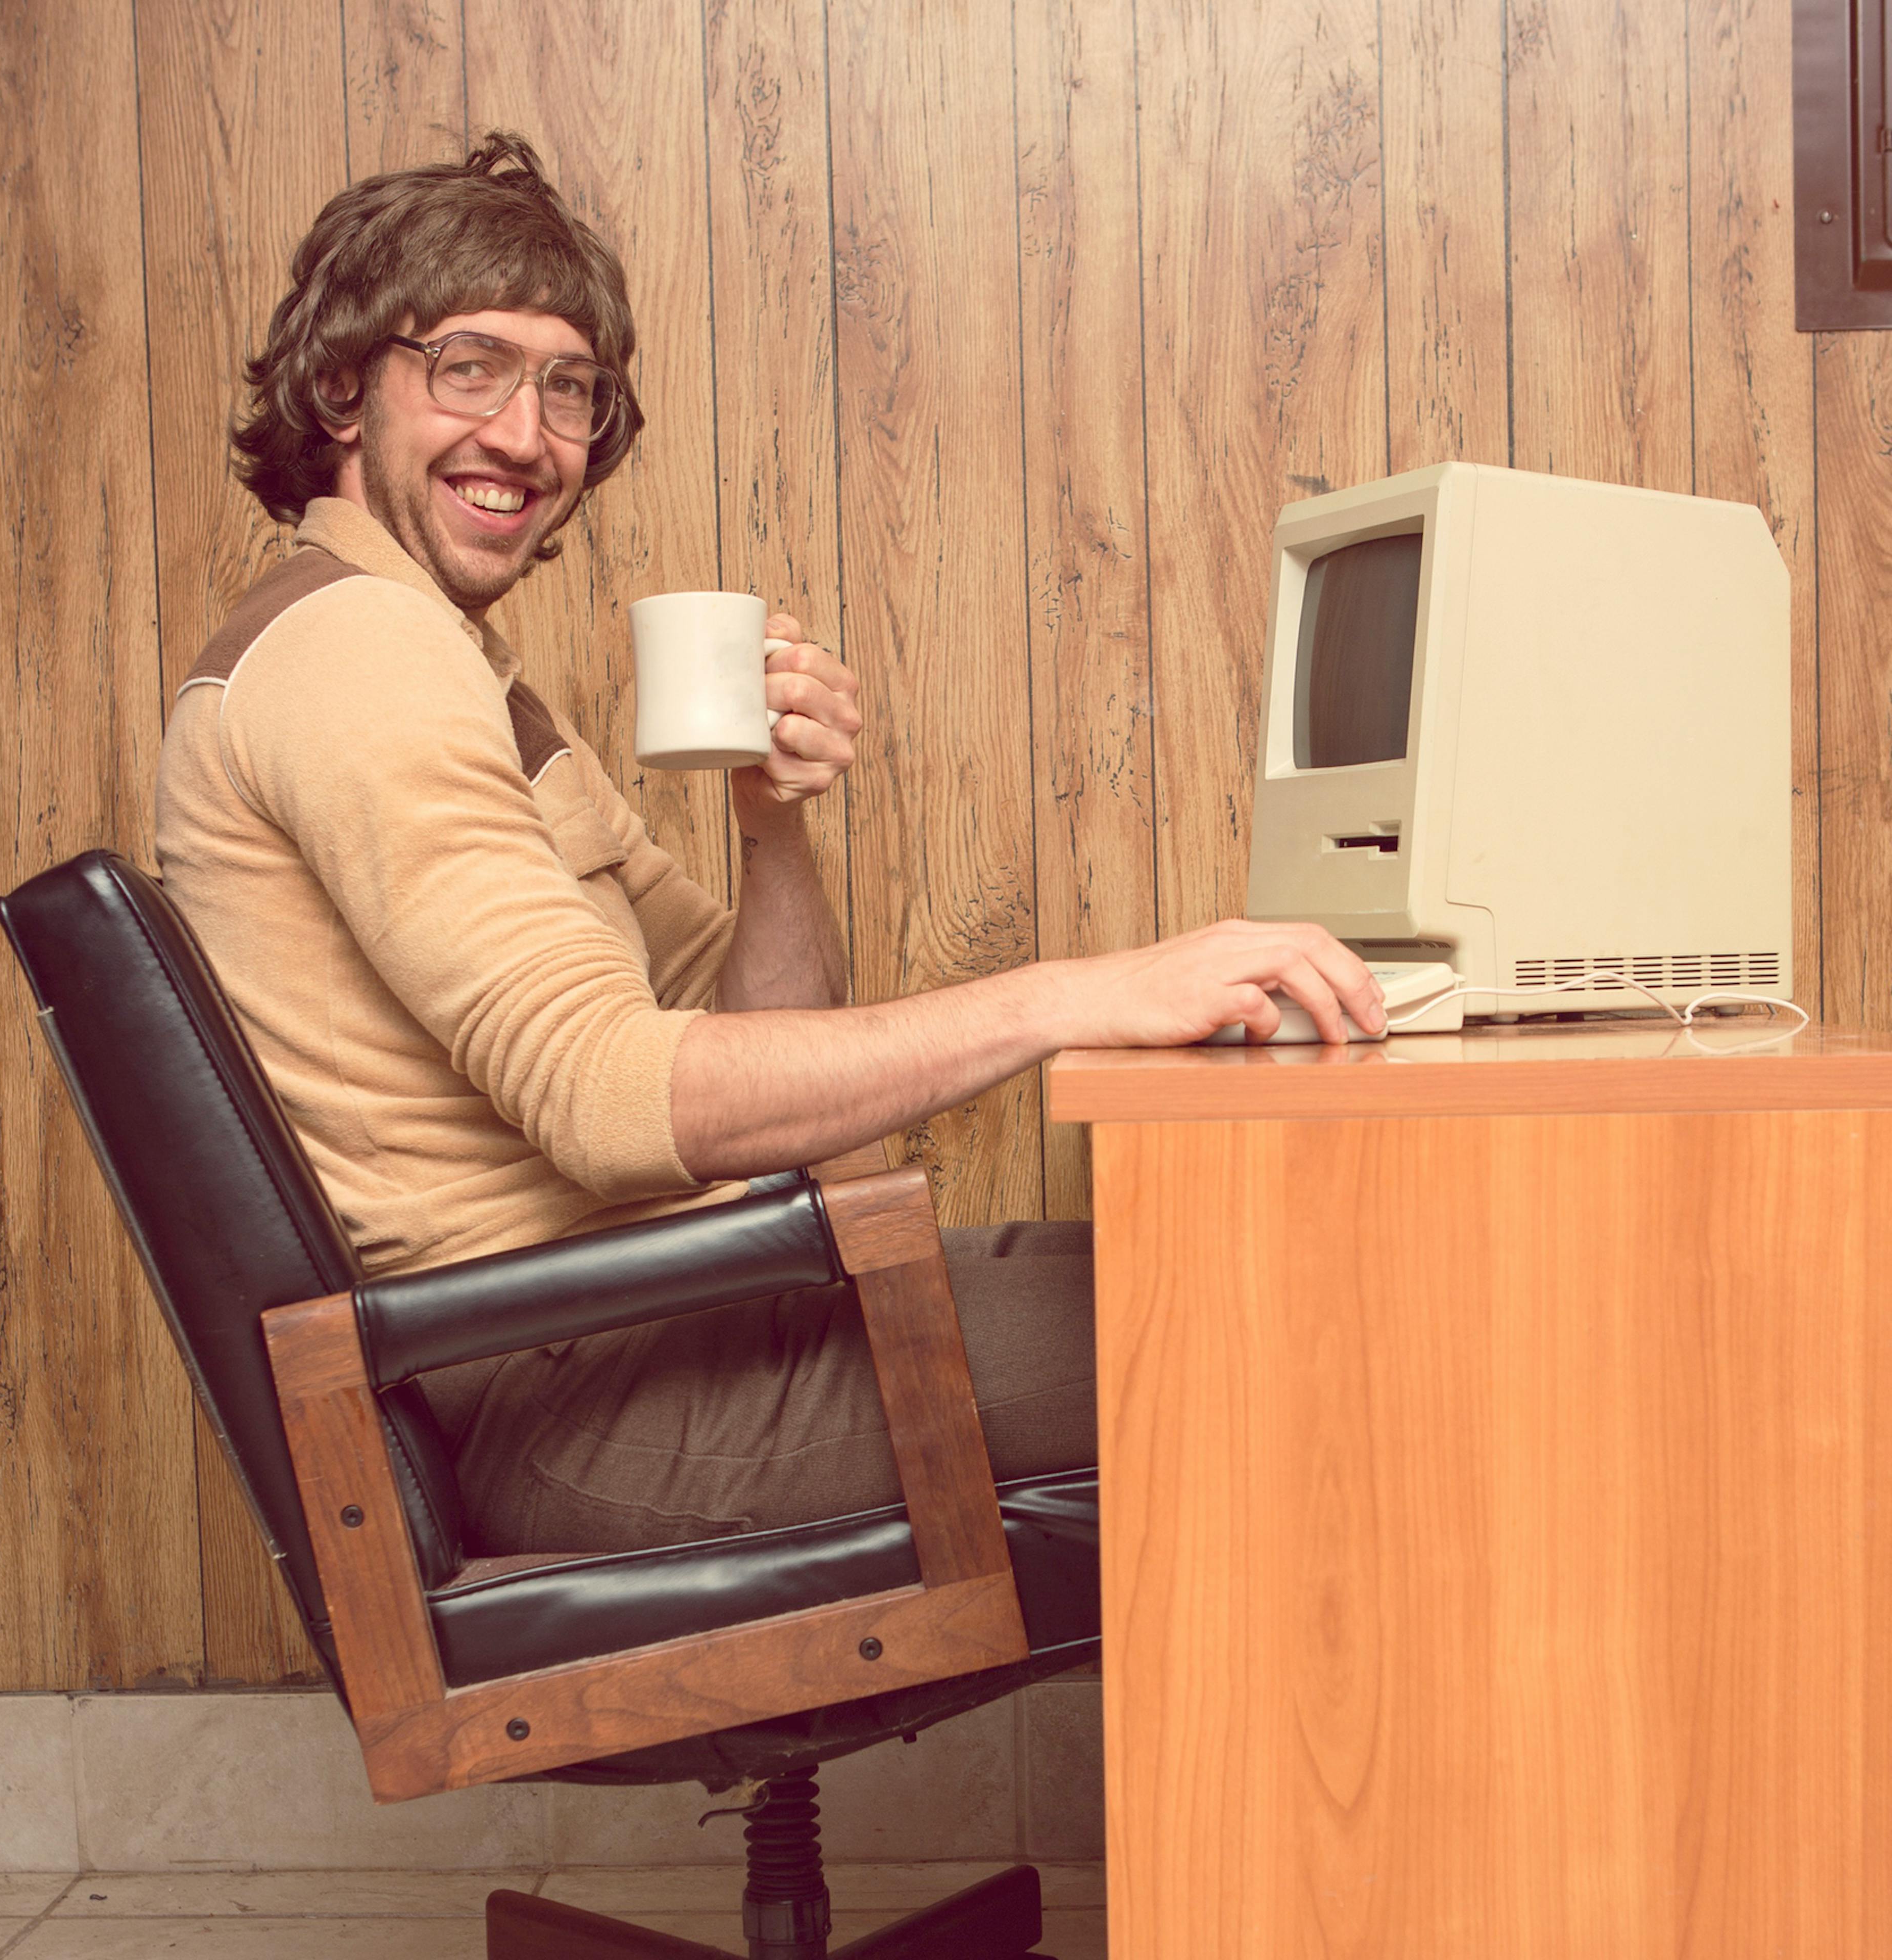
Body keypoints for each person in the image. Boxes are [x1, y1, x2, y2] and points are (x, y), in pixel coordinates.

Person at [155, 133, 1384, 1558]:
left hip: (661, 1333)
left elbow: (774, 1049)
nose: (526, 436)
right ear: (340, 390)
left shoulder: (449, 666)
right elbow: (613, 1103)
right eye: (469, 366)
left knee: (1238, 1275)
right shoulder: (356, 651)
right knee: (1289, 1311)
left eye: (568, 389)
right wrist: (1082, 994)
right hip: (578, 1402)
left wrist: (770, 824)